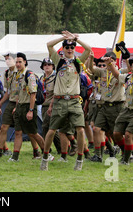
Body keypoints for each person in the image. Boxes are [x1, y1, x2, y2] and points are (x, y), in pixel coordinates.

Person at [41, 31, 91, 171]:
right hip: (60, 101)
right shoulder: (59, 61)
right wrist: (63, 38)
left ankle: (80, 159)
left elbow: (88, 50)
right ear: (63, 49)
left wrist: (76, 39)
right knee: (52, 130)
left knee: (80, 130)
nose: (69, 49)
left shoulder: (78, 62)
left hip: (75, 100)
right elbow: (49, 45)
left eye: (72, 47)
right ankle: (45, 158)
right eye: (67, 47)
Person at [88, 52, 126, 163]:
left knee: (117, 133)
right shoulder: (102, 72)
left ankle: (126, 153)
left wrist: (124, 57)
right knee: (96, 128)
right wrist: (90, 59)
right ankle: (98, 155)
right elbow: (91, 68)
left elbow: (128, 69)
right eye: (106, 61)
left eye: (111, 61)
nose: (108, 63)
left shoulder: (120, 72)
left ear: (115, 61)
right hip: (104, 106)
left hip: (117, 106)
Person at [9, 53, 45, 162]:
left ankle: (46, 153)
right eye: (16, 62)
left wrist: (30, 110)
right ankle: (15, 157)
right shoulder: (17, 75)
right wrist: (16, 107)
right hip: (20, 106)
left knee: (33, 132)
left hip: (28, 106)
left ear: (25, 62)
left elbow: (33, 94)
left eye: (20, 62)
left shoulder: (29, 75)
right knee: (18, 132)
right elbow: (18, 94)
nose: (18, 64)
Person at [0, 53, 15, 158]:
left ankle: (38, 150)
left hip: (22, 102)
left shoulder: (20, 72)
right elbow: (8, 92)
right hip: (11, 102)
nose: (7, 61)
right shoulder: (7, 73)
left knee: (28, 131)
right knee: (3, 126)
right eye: (6, 59)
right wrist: (0, 104)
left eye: (9, 59)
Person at [39, 58, 61, 155]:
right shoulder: (41, 78)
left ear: (53, 66)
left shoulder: (56, 77)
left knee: (46, 127)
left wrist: (51, 106)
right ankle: (60, 148)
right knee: (51, 128)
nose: (47, 66)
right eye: (45, 64)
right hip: (43, 105)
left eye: (49, 64)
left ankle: (46, 148)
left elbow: (56, 93)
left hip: (53, 105)